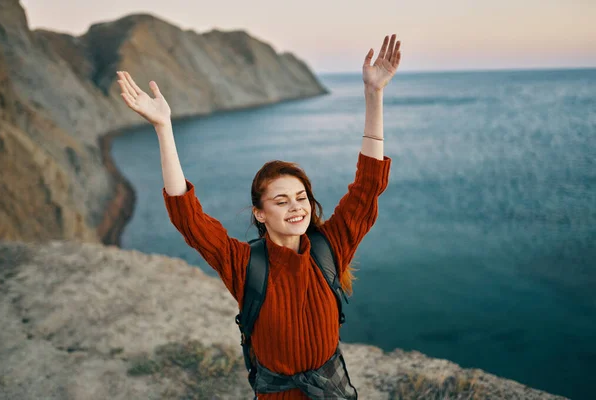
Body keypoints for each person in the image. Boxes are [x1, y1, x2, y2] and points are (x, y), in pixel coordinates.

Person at [117, 33, 401, 400]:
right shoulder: (244, 264)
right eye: (281, 201)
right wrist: (163, 128)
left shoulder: (330, 248)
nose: (296, 207)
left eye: (301, 197)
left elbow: (367, 188)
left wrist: (374, 95)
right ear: (260, 213)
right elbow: (188, 218)